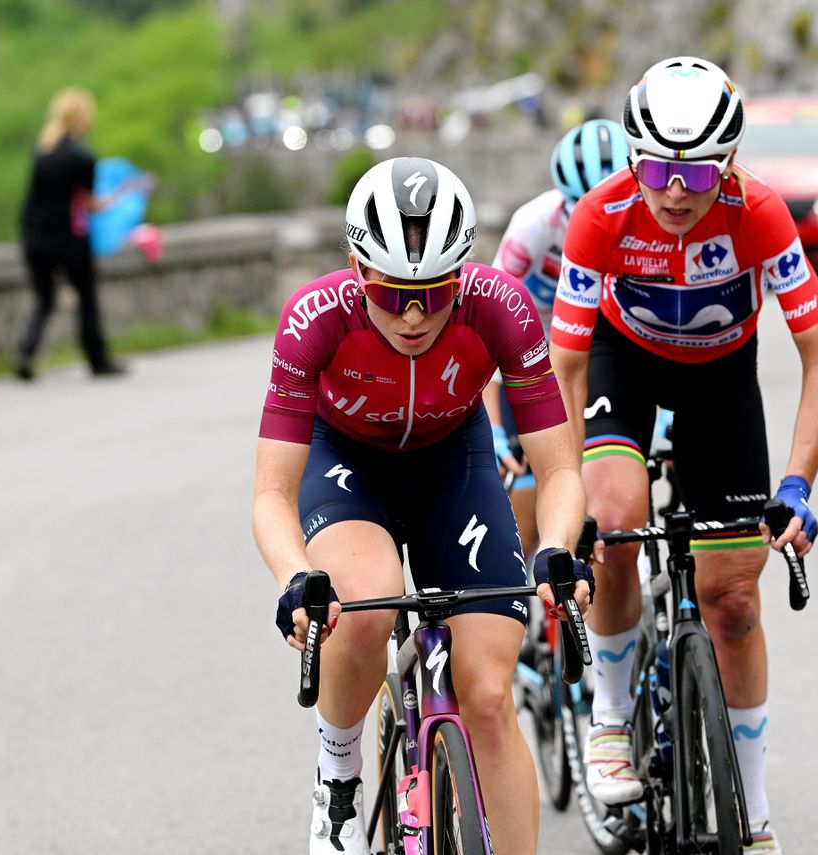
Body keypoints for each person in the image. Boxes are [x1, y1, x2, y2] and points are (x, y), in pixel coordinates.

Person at [252, 156, 594, 854]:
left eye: (435, 294)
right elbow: (271, 493)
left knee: (491, 698)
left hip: (452, 461)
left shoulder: (501, 305)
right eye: (390, 292)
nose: (412, 314)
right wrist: (295, 576)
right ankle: (340, 769)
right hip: (346, 461)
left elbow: (559, 466)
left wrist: (556, 545)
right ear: (355, 266)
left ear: (463, 273)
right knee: (365, 602)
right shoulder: (313, 318)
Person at [548, 56, 818, 854]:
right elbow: (564, 369)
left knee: (735, 601)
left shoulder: (761, 215)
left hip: (721, 378)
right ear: (632, 159)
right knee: (613, 518)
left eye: (700, 171)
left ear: (732, 163)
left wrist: (797, 484)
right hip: (625, 360)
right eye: (655, 167)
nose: (676, 190)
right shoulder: (602, 218)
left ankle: (752, 808)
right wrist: (563, 499)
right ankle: (610, 716)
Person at [486, 118, 631, 556]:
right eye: (579, 207)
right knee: (531, 514)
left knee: (602, 493)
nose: (591, 219)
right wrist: (494, 428)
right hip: (529, 352)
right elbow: (487, 329)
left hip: (595, 350)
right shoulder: (532, 225)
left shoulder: (639, 228)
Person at [15, 87, 132, 381]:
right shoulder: (82, 155)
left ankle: (25, 353)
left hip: (34, 235)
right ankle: (97, 359)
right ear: (82, 117)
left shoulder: (42, 148)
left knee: (44, 299)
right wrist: (123, 193)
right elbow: (90, 204)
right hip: (67, 237)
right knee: (87, 296)